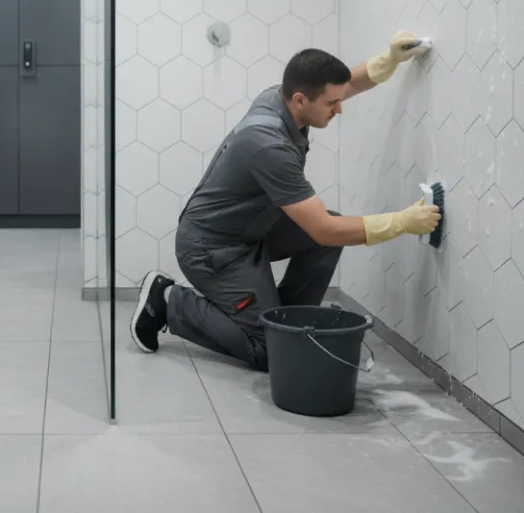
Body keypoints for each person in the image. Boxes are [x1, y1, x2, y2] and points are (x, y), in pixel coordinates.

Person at [130, 31, 440, 371]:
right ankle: (169, 301)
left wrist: (390, 59)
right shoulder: (269, 144)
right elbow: (325, 230)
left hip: (250, 231)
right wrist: (402, 223)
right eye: (332, 104)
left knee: (328, 230)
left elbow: (346, 84)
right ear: (300, 100)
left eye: (338, 101)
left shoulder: (283, 98)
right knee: (267, 349)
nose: (340, 109)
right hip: (212, 249)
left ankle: (288, 325)